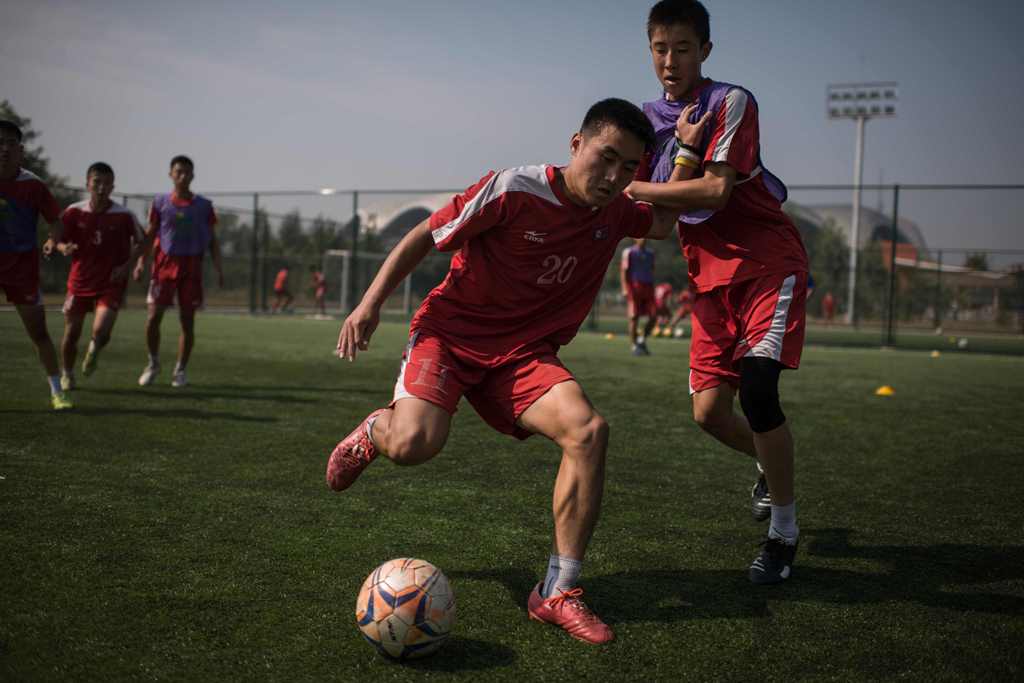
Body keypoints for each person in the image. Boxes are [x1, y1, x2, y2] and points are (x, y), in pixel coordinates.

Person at [327, 99, 680, 644]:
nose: (614, 178)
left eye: (629, 168)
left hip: (521, 355)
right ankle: (377, 431)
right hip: (451, 336)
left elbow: (659, 221)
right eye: (606, 158)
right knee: (415, 444)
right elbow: (425, 234)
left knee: (588, 432)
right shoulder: (515, 189)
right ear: (575, 144)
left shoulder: (613, 209)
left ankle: (556, 592)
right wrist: (369, 304)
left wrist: (688, 151)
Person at [627, 0, 810, 584]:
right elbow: (657, 226)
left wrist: (626, 186)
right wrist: (674, 156)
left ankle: (782, 533)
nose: (670, 60)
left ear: (705, 50)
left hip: (765, 265)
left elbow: (716, 192)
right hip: (707, 281)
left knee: (758, 390)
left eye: (683, 47)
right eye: (660, 48)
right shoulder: (646, 123)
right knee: (708, 415)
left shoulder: (730, 101)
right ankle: (766, 463)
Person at [133, 155, 223, 388]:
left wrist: (219, 268)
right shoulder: (161, 202)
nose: (182, 176)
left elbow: (213, 240)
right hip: (163, 267)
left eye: (187, 172)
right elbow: (150, 234)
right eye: (178, 172)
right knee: (153, 318)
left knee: (187, 322)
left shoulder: (204, 206)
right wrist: (141, 262)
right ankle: (153, 363)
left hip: (191, 268)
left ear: (193, 175)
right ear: (171, 174)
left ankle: (180, 370)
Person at [0, 120, 73, 410]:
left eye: (10, 143)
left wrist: (52, 242)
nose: (3, 149)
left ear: (20, 150)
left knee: (38, 332)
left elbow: (55, 221)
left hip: (21, 268)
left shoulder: (33, 185)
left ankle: (57, 391)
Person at [57, 162, 145, 390]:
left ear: (113, 186)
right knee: (72, 333)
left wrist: (127, 266)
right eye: (96, 181)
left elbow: (142, 243)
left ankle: (94, 351)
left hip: (111, 282)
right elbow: (56, 238)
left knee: (101, 331)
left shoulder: (124, 215)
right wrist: (62, 247)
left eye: (106, 183)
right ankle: (66, 374)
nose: (101, 187)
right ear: (87, 183)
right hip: (79, 282)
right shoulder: (73, 211)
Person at [620, 238, 657, 355]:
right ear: (635, 239)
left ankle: (641, 340)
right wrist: (624, 288)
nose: (644, 239)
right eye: (641, 236)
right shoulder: (629, 252)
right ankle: (634, 346)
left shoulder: (651, 253)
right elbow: (623, 271)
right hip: (634, 286)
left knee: (654, 316)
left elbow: (652, 269)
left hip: (648, 287)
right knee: (634, 316)